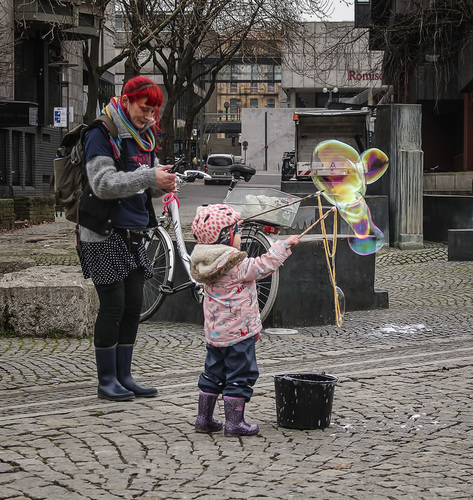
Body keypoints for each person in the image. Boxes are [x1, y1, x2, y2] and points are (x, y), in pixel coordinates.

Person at [79, 75, 176, 401]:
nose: (149, 117)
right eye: (144, 109)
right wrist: (150, 176)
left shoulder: (143, 136)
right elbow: (102, 184)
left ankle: (124, 376)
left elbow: (142, 179)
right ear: (127, 99)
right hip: (102, 233)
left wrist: (161, 181)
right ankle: (107, 381)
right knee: (114, 306)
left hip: (134, 232)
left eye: (153, 112)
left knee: (133, 305)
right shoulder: (101, 133)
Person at [190, 204, 301, 436]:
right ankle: (234, 422)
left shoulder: (206, 263)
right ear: (226, 237)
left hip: (215, 336)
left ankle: (203, 419)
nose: (240, 236)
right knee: (241, 375)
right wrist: (283, 245)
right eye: (237, 232)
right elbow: (263, 265)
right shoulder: (234, 264)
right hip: (239, 334)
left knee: (212, 374)